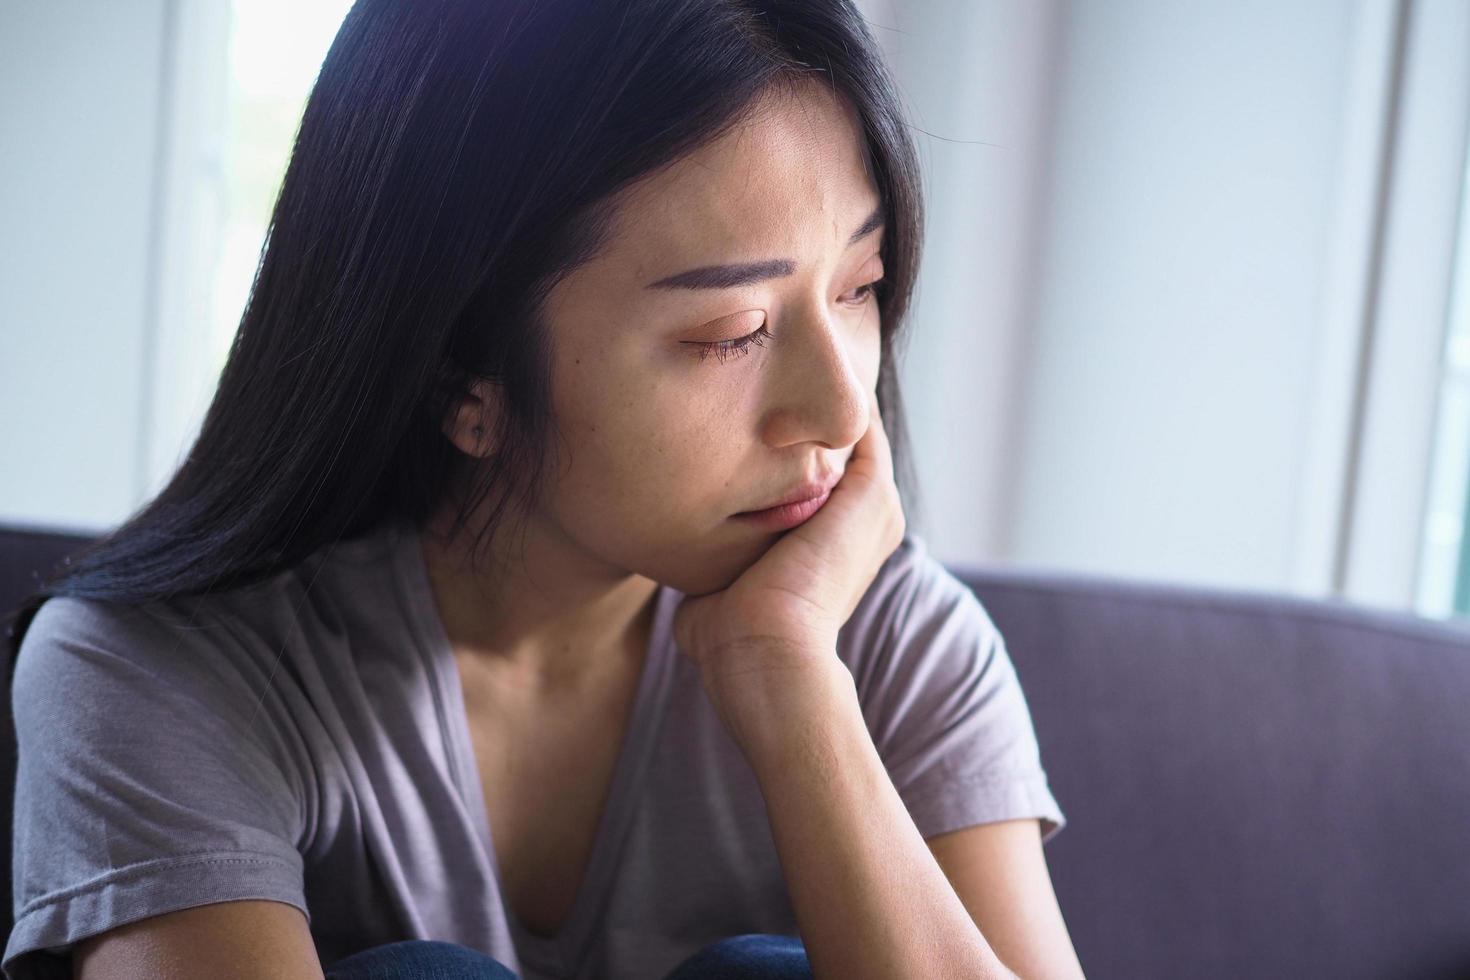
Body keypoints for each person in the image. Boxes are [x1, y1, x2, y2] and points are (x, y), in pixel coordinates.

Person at [2, 1, 1080, 978]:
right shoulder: (156, 668)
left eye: (860, 285)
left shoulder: (884, 635)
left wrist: (789, 674)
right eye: (732, 332)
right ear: (462, 377)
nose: (846, 412)